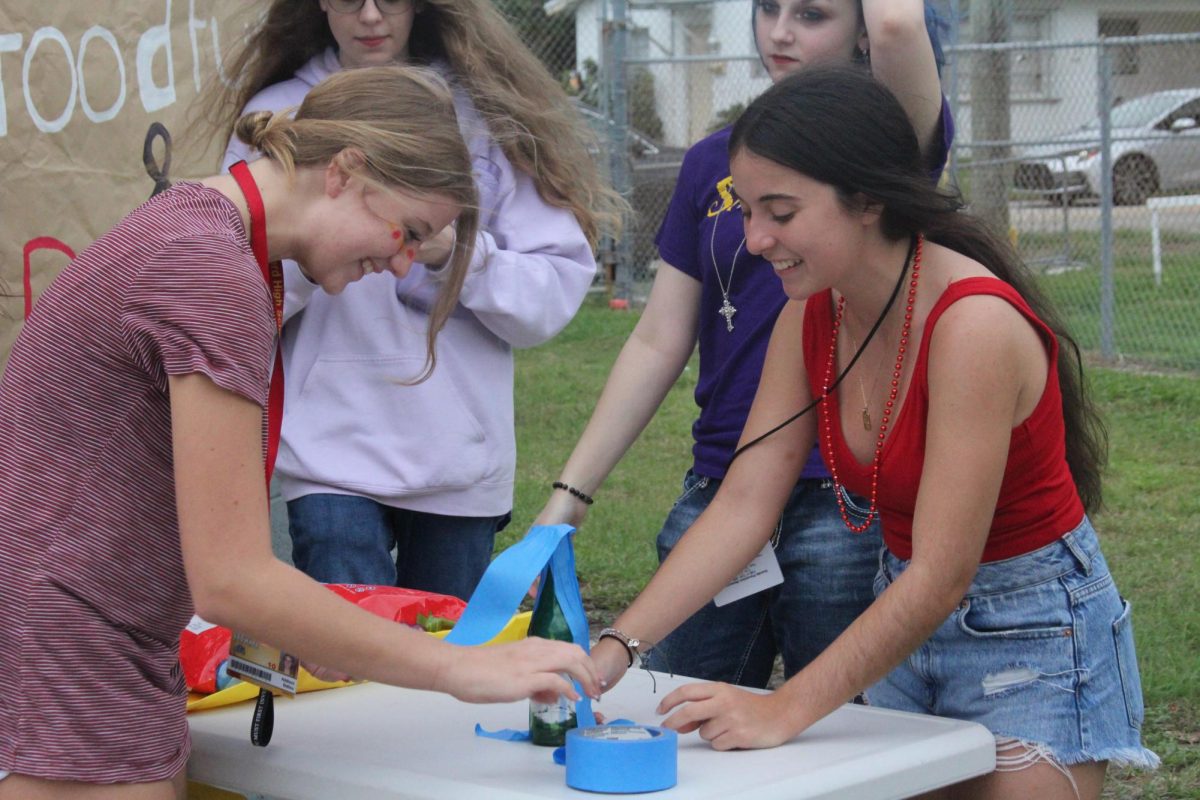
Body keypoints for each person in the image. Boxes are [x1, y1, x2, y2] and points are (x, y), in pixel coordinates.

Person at [0, 66, 599, 799]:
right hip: (77, 643)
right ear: (346, 171)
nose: (405, 262)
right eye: (407, 230)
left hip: (85, 632)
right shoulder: (211, 272)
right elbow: (234, 581)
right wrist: (458, 666)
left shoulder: (198, 231)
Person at [591, 65, 1159, 799]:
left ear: (866, 200)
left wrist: (785, 706)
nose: (754, 239)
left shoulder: (973, 326)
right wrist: (614, 651)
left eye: (781, 212)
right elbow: (742, 506)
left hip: (1030, 632)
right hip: (899, 621)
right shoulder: (811, 312)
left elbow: (941, 574)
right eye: (746, 211)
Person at [537, 0, 951, 687]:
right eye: (767, 9)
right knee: (669, 715)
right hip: (722, 486)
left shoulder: (888, 145)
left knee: (844, 738)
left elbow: (900, 26)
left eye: (812, 13)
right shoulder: (713, 162)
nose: (781, 31)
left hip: (845, 502)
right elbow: (658, 338)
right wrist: (571, 493)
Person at [209, 0, 621, 600]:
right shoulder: (273, 114)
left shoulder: (487, 113)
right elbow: (239, 292)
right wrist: (311, 253)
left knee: (445, 673)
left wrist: (451, 257)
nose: (371, 15)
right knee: (346, 669)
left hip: (458, 460)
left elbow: (549, 295)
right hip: (328, 456)